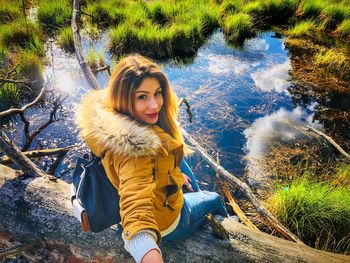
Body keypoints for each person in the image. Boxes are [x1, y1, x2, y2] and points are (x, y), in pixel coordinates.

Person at [76, 54, 228, 263]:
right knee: (215, 198)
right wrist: (145, 247)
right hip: (167, 225)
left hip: (146, 196)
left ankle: (182, 182)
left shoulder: (108, 118)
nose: (155, 105)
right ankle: (229, 222)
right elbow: (135, 206)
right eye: (142, 97)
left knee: (179, 163)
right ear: (123, 98)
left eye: (157, 93)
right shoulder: (135, 153)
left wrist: (173, 176)